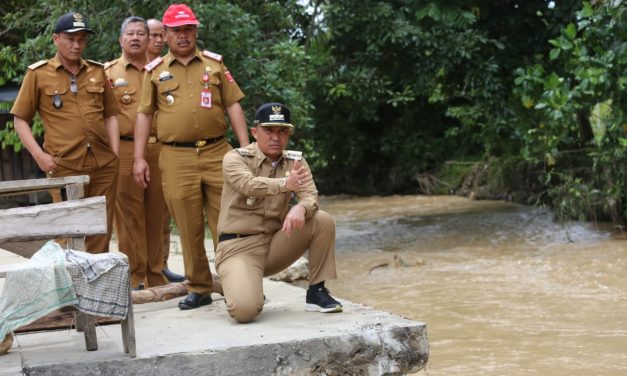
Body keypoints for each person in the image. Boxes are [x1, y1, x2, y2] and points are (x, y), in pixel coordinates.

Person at [134, 3, 249, 310]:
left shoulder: (214, 65)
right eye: (176, 31)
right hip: (175, 157)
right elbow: (144, 115)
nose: (183, 36)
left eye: (188, 30)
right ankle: (199, 286)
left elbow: (233, 105)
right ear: (166, 34)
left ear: (195, 32)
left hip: (216, 152)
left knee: (228, 223)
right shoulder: (155, 71)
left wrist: (246, 148)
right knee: (187, 225)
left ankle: (240, 285)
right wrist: (139, 158)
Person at [215, 102, 342, 324]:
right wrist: (285, 184)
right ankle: (233, 284)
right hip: (238, 248)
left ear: (289, 133)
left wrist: (301, 207)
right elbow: (249, 185)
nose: (276, 137)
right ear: (255, 132)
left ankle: (316, 291)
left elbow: (311, 195)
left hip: (275, 244)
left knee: (321, 220)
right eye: (269, 130)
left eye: (282, 131)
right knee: (245, 312)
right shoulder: (235, 158)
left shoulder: (295, 161)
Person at [10, 11, 120, 253]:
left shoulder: (97, 71)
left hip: (103, 164)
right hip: (65, 165)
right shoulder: (38, 74)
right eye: (70, 38)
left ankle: (96, 287)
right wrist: (40, 157)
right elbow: (20, 120)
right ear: (55, 39)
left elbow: (111, 114)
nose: (77, 44)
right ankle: (71, 287)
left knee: (101, 229)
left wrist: (115, 152)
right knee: (68, 231)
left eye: (82, 39)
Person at [104, 16, 168, 289]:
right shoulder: (108, 72)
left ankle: (156, 273)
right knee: (129, 216)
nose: (136, 38)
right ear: (121, 40)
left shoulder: (163, 70)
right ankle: (133, 276)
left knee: (159, 213)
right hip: (126, 148)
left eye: (141, 33)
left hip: (162, 147)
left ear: (149, 39)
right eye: (130, 33)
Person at [146, 17, 184, 283]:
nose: (158, 40)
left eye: (162, 35)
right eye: (153, 35)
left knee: (163, 211)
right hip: (139, 147)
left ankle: (162, 264)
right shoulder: (134, 68)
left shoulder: (170, 67)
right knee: (138, 214)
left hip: (167, 146)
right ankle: (140, 269)